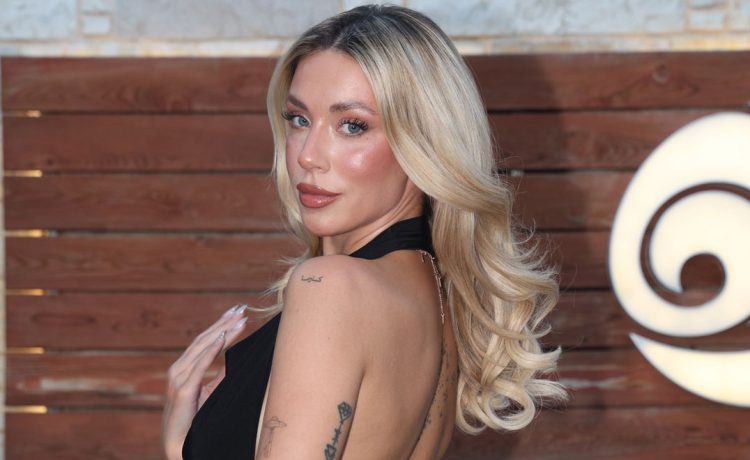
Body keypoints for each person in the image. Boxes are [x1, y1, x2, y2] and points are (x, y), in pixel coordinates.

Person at [161, 4, 566, 459]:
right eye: (299, 119)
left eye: (352, 126)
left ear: (423, 142)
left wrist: (180, 447)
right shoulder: (436, 299)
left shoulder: (331, 288)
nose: (308, 155)